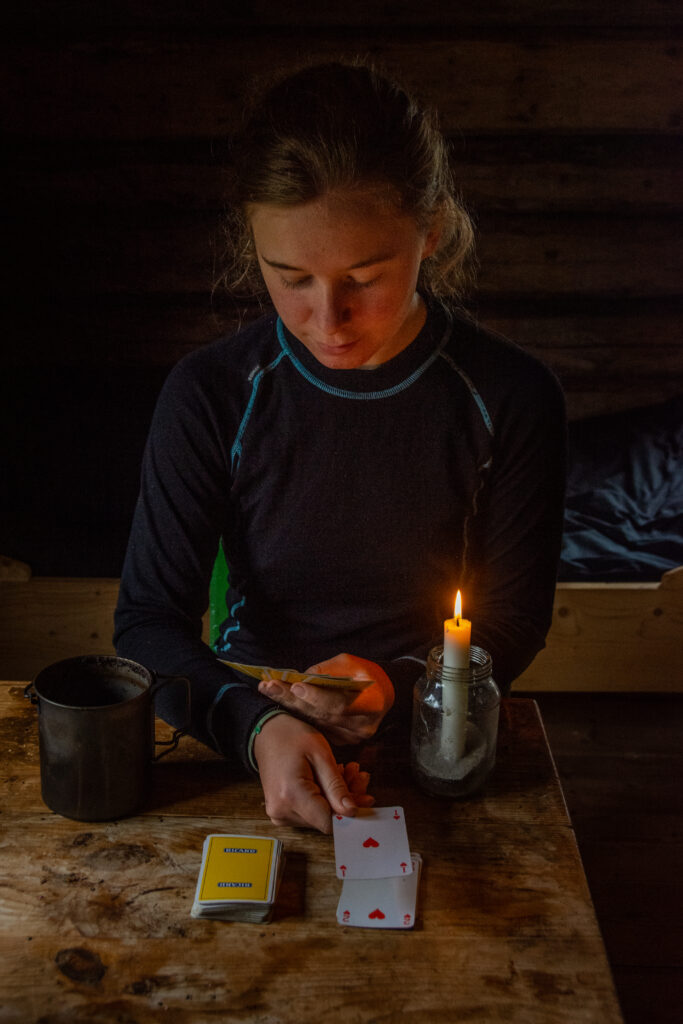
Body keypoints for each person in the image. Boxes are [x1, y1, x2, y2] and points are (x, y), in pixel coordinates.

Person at [114, 60, 566, 834]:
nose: (329, 319)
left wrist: (396, 685)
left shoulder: (511, 397)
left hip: (437, 731)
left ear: (428, 231)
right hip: (241, 720)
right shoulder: (211, 393)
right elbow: (147, 625)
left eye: (365, 275)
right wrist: (259, 729)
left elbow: (514, 616)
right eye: (289, 277)